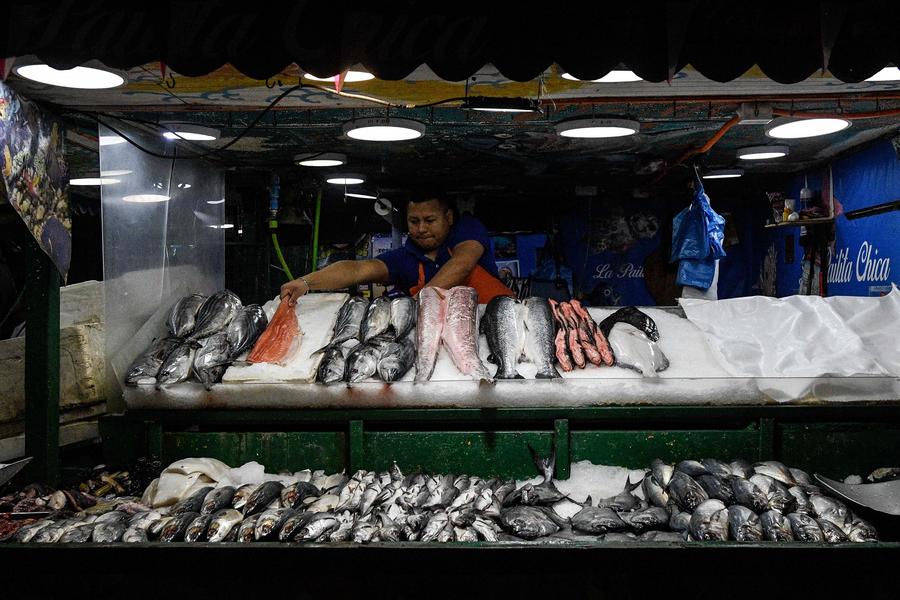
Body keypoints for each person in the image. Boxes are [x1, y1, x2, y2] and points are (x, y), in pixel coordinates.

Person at [280, 195, 513, 305]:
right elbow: (357, 269)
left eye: (429, 220)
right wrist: (306, 282)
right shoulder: (403, 258)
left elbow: (462, 264)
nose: (421, 228)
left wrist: (415, 302)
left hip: (494, 329)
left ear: (449, 217)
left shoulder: (467, 229)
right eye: (414, 221)